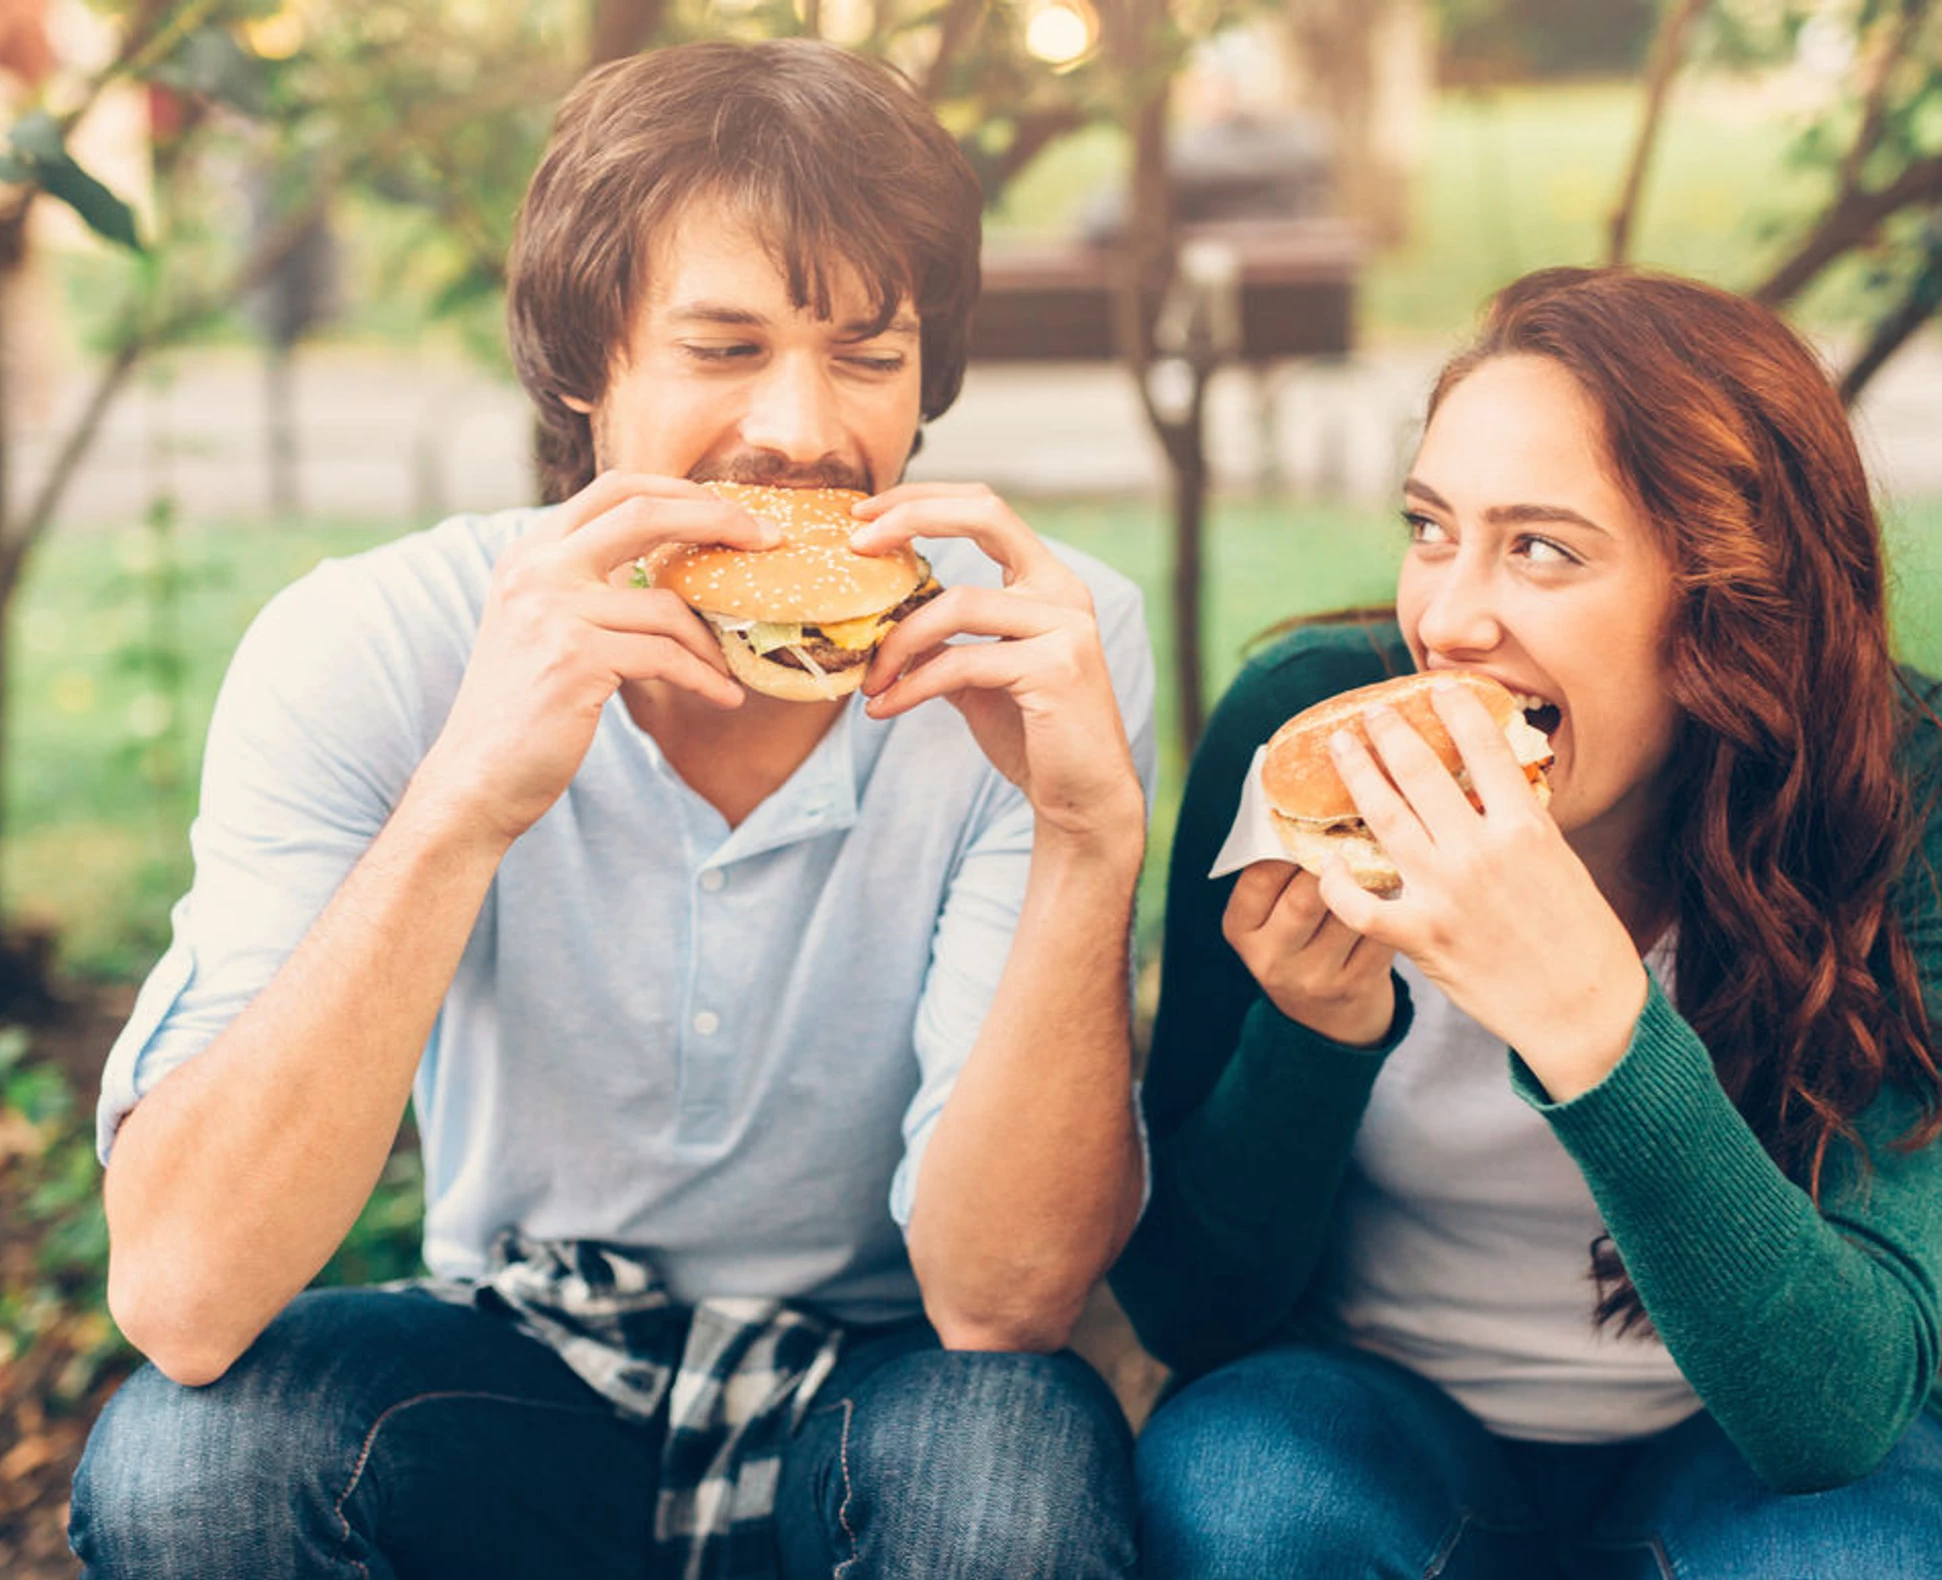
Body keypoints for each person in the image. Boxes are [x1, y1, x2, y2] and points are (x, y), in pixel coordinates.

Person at [68, 39, 1154, 1580]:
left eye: (866, 352)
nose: (803, 431)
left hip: (889, 1374)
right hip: (516, 1362)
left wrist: (1085, 837)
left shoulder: (1044, 642)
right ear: (588, 363)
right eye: (723, 349)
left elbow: (1004, 1303)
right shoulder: (372, 644)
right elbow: (179, 1291)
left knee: (1003, 1473)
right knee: (193, 1470)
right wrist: (464, 800)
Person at [1111, 267, 1942, 1579]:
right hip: (1372, 1418)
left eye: (1542, 547)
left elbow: (1831, 1413)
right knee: (1242, 1491)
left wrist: (1591, 1022)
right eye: (1430, 528)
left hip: (1750, 1454)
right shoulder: (1303, 739)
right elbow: (1188, 1316)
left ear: (1732, 599)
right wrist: (1314, 1035)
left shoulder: (1932, 795)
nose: (1445, 619)